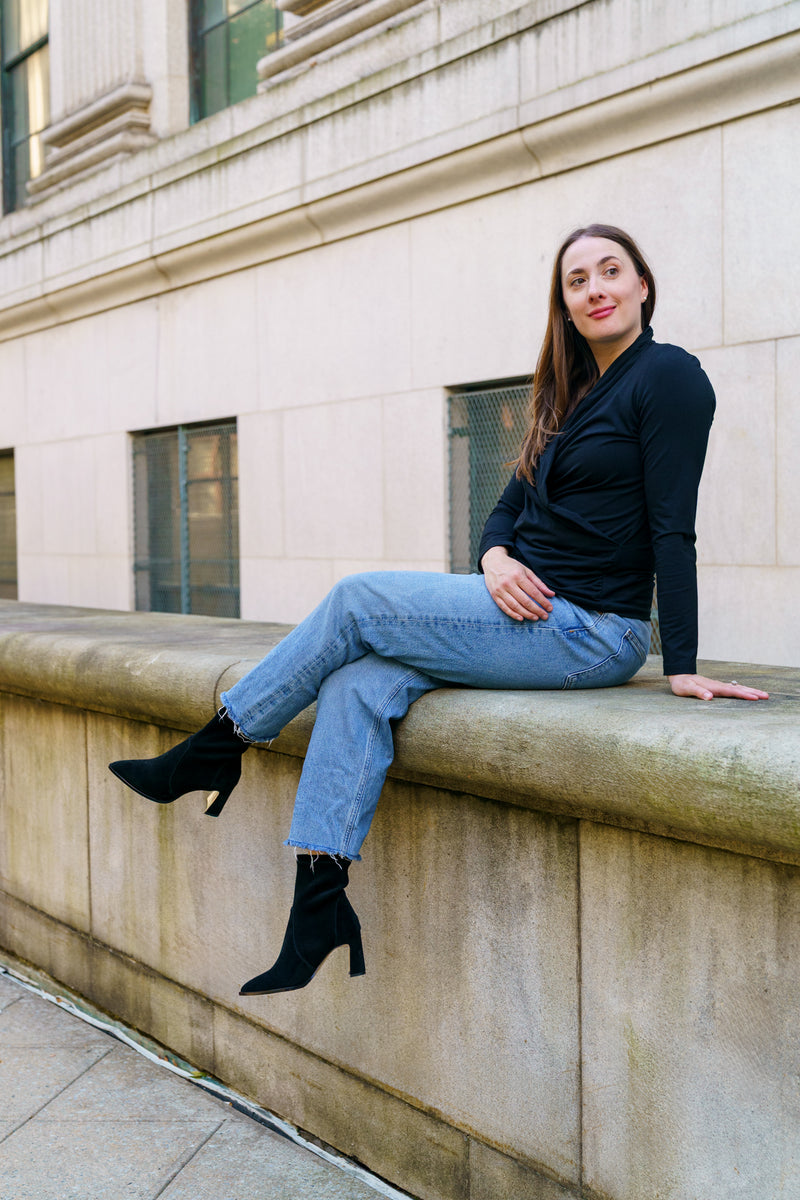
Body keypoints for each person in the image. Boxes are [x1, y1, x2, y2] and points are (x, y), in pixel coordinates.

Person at [109, 223, 768, 998]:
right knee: (356, 683)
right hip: (526, 618)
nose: (596, 288)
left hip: (591, 629)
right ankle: (318, 905)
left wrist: (682, 665)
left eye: (611, 271)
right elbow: (505, 511)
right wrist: (494, 560)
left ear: (643, 284)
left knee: (357, 600)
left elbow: (672, 524)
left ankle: (220, 744)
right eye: (577, 280)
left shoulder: (670, 377)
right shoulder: (571, 393)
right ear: (563, 304)